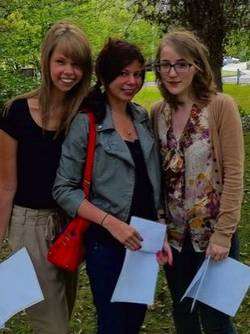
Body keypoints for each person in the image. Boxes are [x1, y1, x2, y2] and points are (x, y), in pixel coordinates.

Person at [53, 38, 172, 334]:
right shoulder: (87, 121)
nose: (131, 81)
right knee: (113, 324)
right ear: (105, 76)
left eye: (137, 74)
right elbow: (64, 189)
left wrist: (159, 230)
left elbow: (149, 179)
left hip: (144, 240)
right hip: (107, 244)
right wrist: (112, 224)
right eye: (123, 73)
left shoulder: (140, 116)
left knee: (134, 321)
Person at [0, 21, 92, 334]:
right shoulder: (16, 113)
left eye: (77, 64)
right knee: (51, 326)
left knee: (64, 311)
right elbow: (5, 183)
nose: (69, 71)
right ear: (46, 61)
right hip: (29, 226)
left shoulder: (85, 112)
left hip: (70, 224)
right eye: (61, 61)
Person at [151, 30, 244, 334]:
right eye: (165, 65)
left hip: (213, 238)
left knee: (217, 320)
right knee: (184, 316)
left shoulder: (220, 106)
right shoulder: (158, 113)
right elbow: (158, 178)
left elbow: (234, 174)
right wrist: (159, 227)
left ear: (197, 67)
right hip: (175, 240)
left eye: (182, 64)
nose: (173, 72)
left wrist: (223, 234)